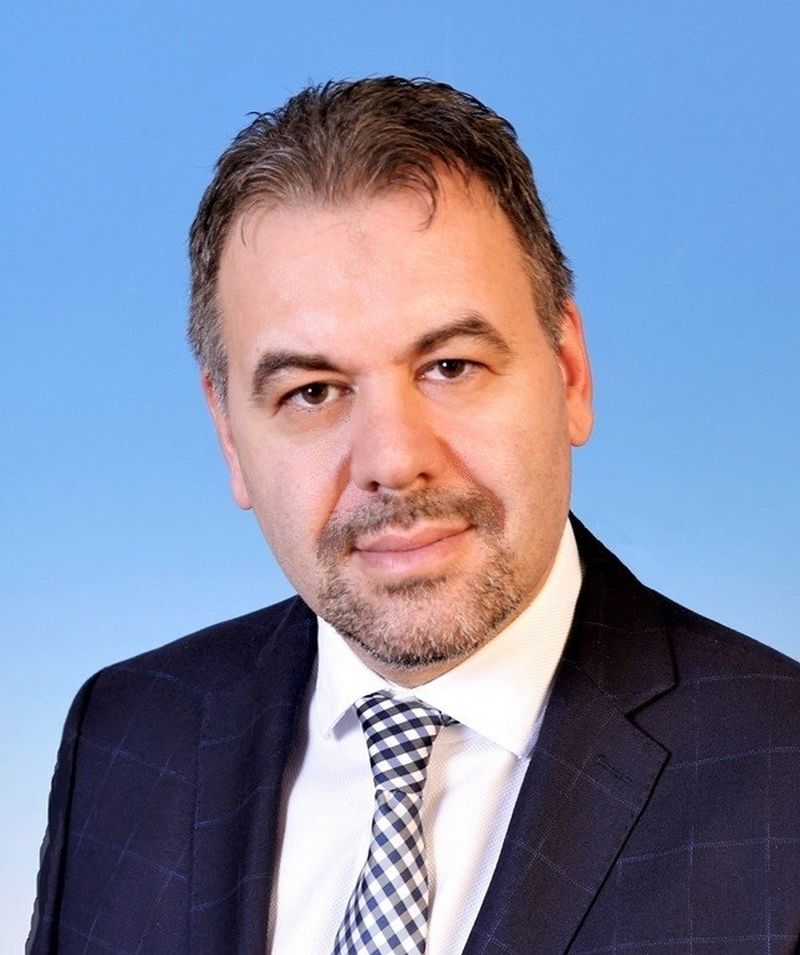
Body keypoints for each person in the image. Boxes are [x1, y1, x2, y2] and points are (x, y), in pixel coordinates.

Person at [29, 77, 799, 955]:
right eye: (312, 391)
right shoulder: (125, 737)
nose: (394, 459)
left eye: (451, 367)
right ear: (230, 435)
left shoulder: (782, 777)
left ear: (570, 373)